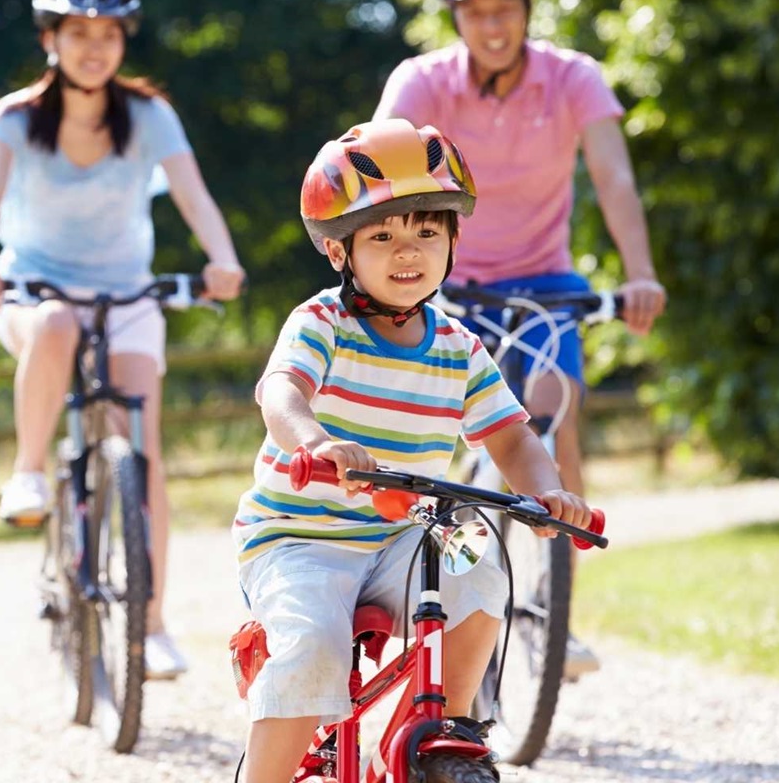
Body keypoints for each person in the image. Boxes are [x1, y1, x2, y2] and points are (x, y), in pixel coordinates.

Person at [232, 119, 594, 782]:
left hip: (408, 536)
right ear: (341, 252)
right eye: (383, 236)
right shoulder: (322, 323)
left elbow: (512, 434)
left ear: (454, 240)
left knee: (483, 567)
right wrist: (316, 441)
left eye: (427, 232)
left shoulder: (458, 345)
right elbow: (280, 391)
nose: (408, 252)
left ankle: (435, 728)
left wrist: (548, 489)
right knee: (313, 645)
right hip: (300, 538)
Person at [373, 0, 666, 676]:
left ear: (528, 8)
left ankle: (549, 608)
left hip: (543, 282)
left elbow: (615, 181)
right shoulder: (423, 81)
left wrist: (639, 273)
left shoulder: (573, 79)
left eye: (506, 8)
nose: (494, 25)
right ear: (455, 18)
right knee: (446, 446)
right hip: (449, 283)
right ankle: (460, 587)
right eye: (476, 12)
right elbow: (380, 170)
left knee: (550, 405)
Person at [0, 0, 245, 679]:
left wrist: (222, 258)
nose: (94, 47)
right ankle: (27, 473)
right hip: (33, 290)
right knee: (54, 326)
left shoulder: (148, 115)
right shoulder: (15, 118)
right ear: (50, 39)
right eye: (78, 33)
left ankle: (149, 627)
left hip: (126, 297)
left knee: (140, 453)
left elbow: (195, 196)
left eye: (108, 35)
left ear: (124, 42)